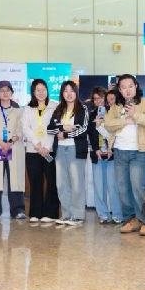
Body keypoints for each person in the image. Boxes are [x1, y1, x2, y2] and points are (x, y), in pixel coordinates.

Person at [104, 73, 145, 236]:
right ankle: (131, 219)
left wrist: (135, 115)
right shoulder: (116, 106)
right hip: (120, 151)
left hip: (139, 152)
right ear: (119, 90)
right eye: (123, 87)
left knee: (139, 188)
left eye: (130, 86)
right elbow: (108, 124)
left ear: (136, 86)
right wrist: (125, 121)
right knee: (123, 189)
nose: (127, 90)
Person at [47, 80, 91, 227]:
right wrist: (63, 127)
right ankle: (66, 214)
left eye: (71, 90)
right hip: (60, 150)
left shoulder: (82, 108)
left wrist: (65, 134)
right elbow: (50, 129)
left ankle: (77, 216)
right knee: (61, 183)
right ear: (62, 93)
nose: (69, 94)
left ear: (76, 92)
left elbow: (83, 129)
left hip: (75, 149)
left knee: (76, 183)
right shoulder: (59, 109)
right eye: (65, 91)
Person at [0, 80, 26, 220]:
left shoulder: (19, 110)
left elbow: (20, 129)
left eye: (8, 90)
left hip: (13, 147)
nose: (5, 93)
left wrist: (9, 142)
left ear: (12, 92)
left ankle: (18, 210)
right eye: (2, 90)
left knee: (15, 178)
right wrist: (2, 144)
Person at [22, 78, 58, 223]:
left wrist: (46, 148)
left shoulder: (55, 106)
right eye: (38, 90)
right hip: (33, 150)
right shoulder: (28, 108)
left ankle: (51, 213)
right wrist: (37, 145)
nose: (41, 92)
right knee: (35, 182)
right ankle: (35, 213)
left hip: (50, 150)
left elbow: (55, 128)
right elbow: (25, 128)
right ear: (33, 92)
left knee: (51, 182)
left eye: (43, 89)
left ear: (47, 91)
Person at [91, 86, 123, 224]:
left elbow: (116, 133)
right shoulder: (92, 114)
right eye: (95, 99)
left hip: (112, 154)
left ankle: (117, 214)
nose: (99, 101)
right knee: (99, 187)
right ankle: (103, 214)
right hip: (97, 154)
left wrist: (111, 149)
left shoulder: (115, 113)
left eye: (101, 98)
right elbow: (91, 134)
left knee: (113, 185)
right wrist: (96, 149)